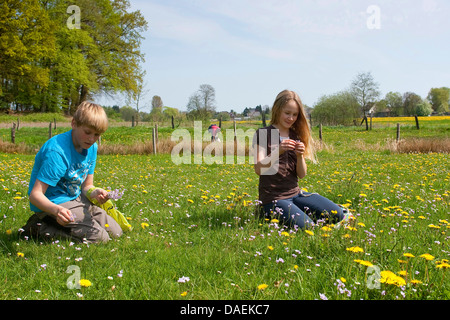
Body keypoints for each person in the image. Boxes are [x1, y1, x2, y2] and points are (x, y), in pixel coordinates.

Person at [21, 101, 123, 243]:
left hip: (76, 199)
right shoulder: (57, 152)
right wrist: (56, 211)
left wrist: (95, 192)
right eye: (87, 132)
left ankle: (61, 225)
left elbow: (86, 186)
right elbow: (35, 195)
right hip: (53, 203)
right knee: (100, 239)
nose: (92, 139)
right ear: (74, 123)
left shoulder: (91, 148)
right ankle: (39, 228)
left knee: (116, 232)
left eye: (97, 135)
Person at [253, 90, 351, 230]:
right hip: (273, 198)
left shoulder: (295, 135)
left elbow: (302, 174)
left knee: (338, 214)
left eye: (295, 114)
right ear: (277, 109)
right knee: (307, 227)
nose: (291, 118)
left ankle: (298, 212)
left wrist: (300, 156)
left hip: (296, 194)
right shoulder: (262, 134)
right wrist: (279, 150)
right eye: (287, 113)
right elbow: (259, 169)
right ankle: (265, 212)